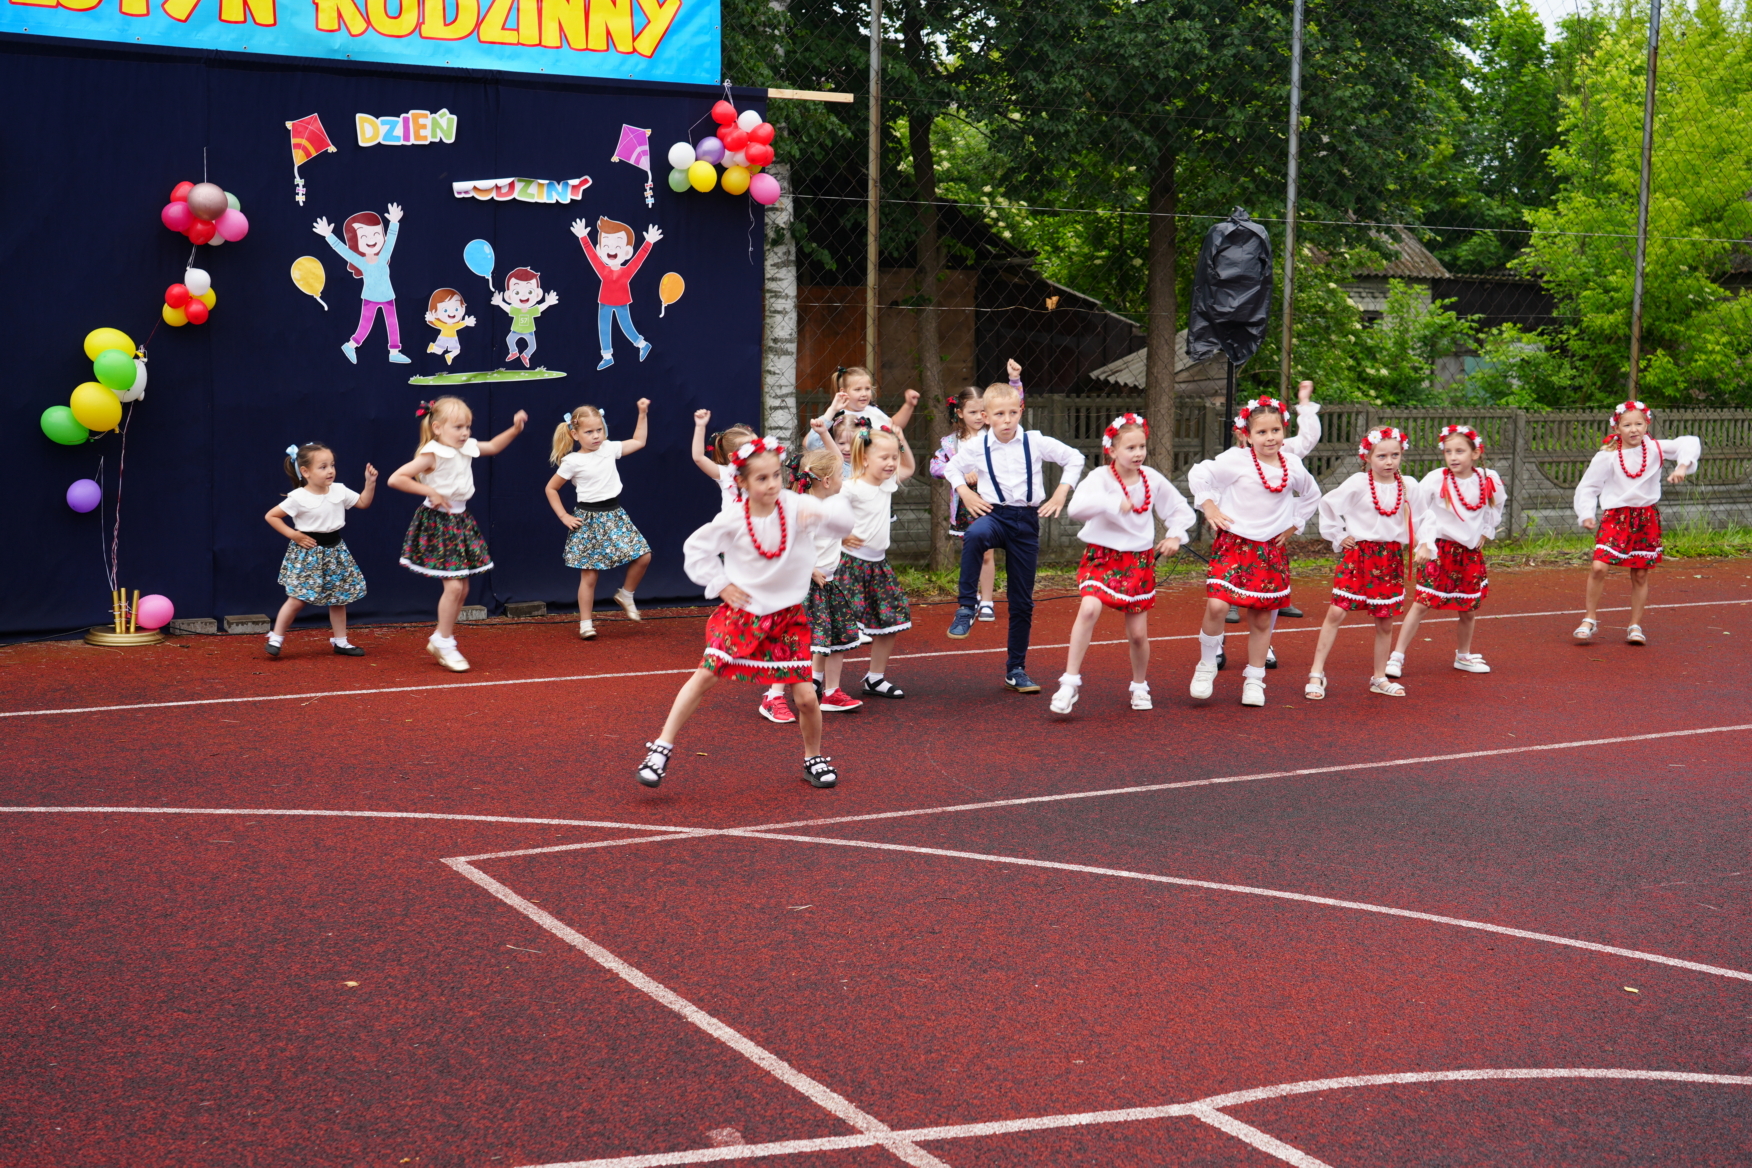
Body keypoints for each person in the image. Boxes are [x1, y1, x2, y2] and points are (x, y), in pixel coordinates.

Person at [637, 436, 854, 790]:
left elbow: (842, 522)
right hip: (744, 614)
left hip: (788, 619)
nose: (772, 484)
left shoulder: (796, 506)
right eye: (762, 478)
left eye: (776, 475)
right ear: (742, 482)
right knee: (705, 675)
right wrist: (720, 584)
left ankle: (813, 757)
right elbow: (696, 549)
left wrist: (824, 514)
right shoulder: (734, 518)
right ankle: (661, 748)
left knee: (805, 698)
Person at [944, 382, 1086, 693]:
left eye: (1012, 412)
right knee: (975, 533)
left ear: (1021, 411)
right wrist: (965, 491)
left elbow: (1074, 458)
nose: (1007, 420)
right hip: (994, 515)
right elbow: (951, 468)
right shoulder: (978, 446)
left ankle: (1016, 669)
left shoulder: (1034, 441)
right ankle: (966, 607)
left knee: (1022, 602)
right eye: (999, 414)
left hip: (1026, 523)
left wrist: (1061, 492)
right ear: (985, 416)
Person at [1051, 414, 1193, 715]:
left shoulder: (1152, 479)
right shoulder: (1099, 478)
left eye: (1142, 446)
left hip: (1137, 562)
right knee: (1089, 608)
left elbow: (1180, 510)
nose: (1138, 453)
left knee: (1138, 634)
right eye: (1130, 448)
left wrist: (1175, 535)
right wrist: (1112, 503)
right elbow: (1076, 509)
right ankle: (1069, 683)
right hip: (1102, 556)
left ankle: (1139, 686)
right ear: (1112, 450)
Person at [1186, 395, 1323, 707]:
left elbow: (1312, 494)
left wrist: (1294, 524)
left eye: (1275, 430)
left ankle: (1254, 679)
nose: (1270, 437)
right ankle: (1206, 664)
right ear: (1247, 435)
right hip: (1234, 544)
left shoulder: (1293, 465)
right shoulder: (1236, 460)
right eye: (1261, 432)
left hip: (1269, 550)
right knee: (1218, 606)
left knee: (1261, 620)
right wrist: (1209, 505)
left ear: (1284, 431)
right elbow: (1199, 474)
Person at [386, 396, 528, 673]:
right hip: (438, 523)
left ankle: (441, 638)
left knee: (463, 588)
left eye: (468, 427)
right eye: (458, 427)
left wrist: (515, 429)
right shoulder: (432, 453)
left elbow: (493, 446)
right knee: (453, 587)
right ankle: (445, 642)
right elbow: (396, 478)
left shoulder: (467, 447)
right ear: (437, 428)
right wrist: (430, 491)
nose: (465, 433)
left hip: (460, 520)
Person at [1305, 426, 1434, 700]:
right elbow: (1328, 505)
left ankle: (1379, 677)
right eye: (1382, 456)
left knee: (1385, 620)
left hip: (1390, 558)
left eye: (1395, 455)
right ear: (1367, 456)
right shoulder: (1358, 483)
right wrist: (1338, 535)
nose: (1389, 462)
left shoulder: (1409, 485)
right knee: (1336, 612)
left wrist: (1425, 544)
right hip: (1359, 555)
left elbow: (1423, 517)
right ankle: (1316, 672)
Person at [1572, 400, 1700, 645]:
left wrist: (1682, 467)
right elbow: (1588, 486)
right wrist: (1586, 513)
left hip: (1645, 517)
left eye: (1639, 424)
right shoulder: (1607, 456)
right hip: (1616, 517)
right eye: (1627, 425)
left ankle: (1635, 625)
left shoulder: (1655, 448)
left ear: (1647, 424)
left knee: (1640, 574)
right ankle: (1589, 619)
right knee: (1599, 567)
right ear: (1617, 428)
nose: (1634, 430)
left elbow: (1690, 442)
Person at [1387, 425, 1506, 676]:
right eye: (1448, 451)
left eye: (1459, 451)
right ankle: (1396, 657)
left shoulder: (1488, 479)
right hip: (1440, 549)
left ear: (1475, 453)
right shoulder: (1436, 479)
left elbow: (1496, 505)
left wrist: (1486, 530)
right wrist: (1424, 542)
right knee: (1421, 603)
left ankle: (1463, 656)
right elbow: (1417, 509)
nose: (1453, 457)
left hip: (1468, 553)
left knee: (1468, 609)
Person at [546, 401, 652, 641]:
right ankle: (585, 623)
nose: (595, 436)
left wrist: (642, 413)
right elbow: (551, 488)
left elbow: (639, 441)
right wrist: (564, 516)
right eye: (589, 432)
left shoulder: (609, 448)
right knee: (590, 576)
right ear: (575, 434)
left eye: (599, 430)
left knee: (644, 556)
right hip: (588, 519)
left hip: (614, 514)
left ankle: (626, 595)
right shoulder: (572, 461)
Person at [263, 443, 377, 658]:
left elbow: (363, 502)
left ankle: (341, 642)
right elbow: (271, 516)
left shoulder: (339, 490)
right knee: (297, 598)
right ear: (305, 472)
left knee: (339, 598)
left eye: (332, 465)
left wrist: (369, 483)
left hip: (335, 552)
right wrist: (294, 535)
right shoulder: (298, 497)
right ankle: (276, 637)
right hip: (308, 554)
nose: (330, 471)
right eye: (323, 467)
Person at [839, 422, 918, 700]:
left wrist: (901, 440)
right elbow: (825, 516)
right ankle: (817, 679)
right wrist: (842, 535)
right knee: (837, 625)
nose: (891, 462)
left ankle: (875, 678)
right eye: (884, 457)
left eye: (894, 456)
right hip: (849, 566)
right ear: (864, 459)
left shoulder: (887, 483)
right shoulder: (849, 488)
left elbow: (909, 468)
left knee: (890, 620)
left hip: (878, 566)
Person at [794, 446, 864, 712]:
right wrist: (811, 569)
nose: (843, 480)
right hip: (808, 587)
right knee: (804, 640)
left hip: (829, 584)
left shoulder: (831, 504)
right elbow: (793, 547)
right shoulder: (805, 510)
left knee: (836, 638)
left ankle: (832, 692)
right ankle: (776, 693)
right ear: (826, 481)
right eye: (840, 476)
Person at [930, 388, 998, 621]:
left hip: (991, 502)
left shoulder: (996, 436)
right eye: (972, 412)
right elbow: (935, 466)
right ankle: (972, 597)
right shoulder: (951, 443)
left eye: (983, 411)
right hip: (965, 504)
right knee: (972, 553)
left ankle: (987, 601)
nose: (979, 417)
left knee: (987, 552)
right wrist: (960, 472)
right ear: (959, 413)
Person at [314, 204, 408, 364]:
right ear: (356, 242)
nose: (371, 240)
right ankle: (350, 345)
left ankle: (394, 352)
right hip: (370, 298)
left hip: (387, 296)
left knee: (393, 324)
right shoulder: (361, 261)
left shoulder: (383, 256)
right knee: (365, 325)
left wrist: (394, 222)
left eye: (376, 234)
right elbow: (344, 251)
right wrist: (328, 235)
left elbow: (390, 242)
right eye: (364, 237)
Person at [570, 216, 660, 370]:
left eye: (618, 246)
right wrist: (583, 237)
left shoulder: (624, 272)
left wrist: (649, 242)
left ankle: (642, 345)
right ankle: (607, 356)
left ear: (627, 251)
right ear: (600, 249)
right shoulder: (604, 270)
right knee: (604, 327)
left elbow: (638, 260)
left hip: (620, 301)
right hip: (605, 301)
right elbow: (592, 257)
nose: (611, 249)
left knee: (626, 326)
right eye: (606, 245)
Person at [803, 366, 919, 452]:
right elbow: (808, 442)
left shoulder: (872, 410)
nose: (864, 394)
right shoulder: (839, 417)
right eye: (857, 389)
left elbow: (893, 426)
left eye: (867, 389)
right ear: (843, 392)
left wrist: (908, 406)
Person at [690, 411, 757, 517]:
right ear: (733, 457)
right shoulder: (726, 473)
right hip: (731, 525)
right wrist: (700, 426)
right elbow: (699, 458)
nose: (757, 452)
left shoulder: (763, 471)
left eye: (758, 446)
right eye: (749, 450)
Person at [491, 268, 558, 368]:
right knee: (509, 339)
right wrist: (500, 303)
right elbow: (508, 309)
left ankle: (525, 355)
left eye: (530, 292)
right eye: (516, 292)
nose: (523, 295)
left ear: (538, 294)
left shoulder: (531, 310)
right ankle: (514, 351)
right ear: (509, 296)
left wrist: (548, 303)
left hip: (529, 331)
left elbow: (540, 308)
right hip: (516, 330)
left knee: (532, 346)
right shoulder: (516, 310)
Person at [423, 288, 475, 366]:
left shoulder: (454, 325)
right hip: (443, 338)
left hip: (453, 339)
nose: (452, 312)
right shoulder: (444, 325)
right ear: (435, 312)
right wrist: (432, 319)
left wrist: (466, 322)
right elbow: (438, 323)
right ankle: (432, 347)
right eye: (445, 310)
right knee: (439, 351)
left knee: (457, 351)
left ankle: (449, 356)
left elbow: (460, 325)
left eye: (456, 309)